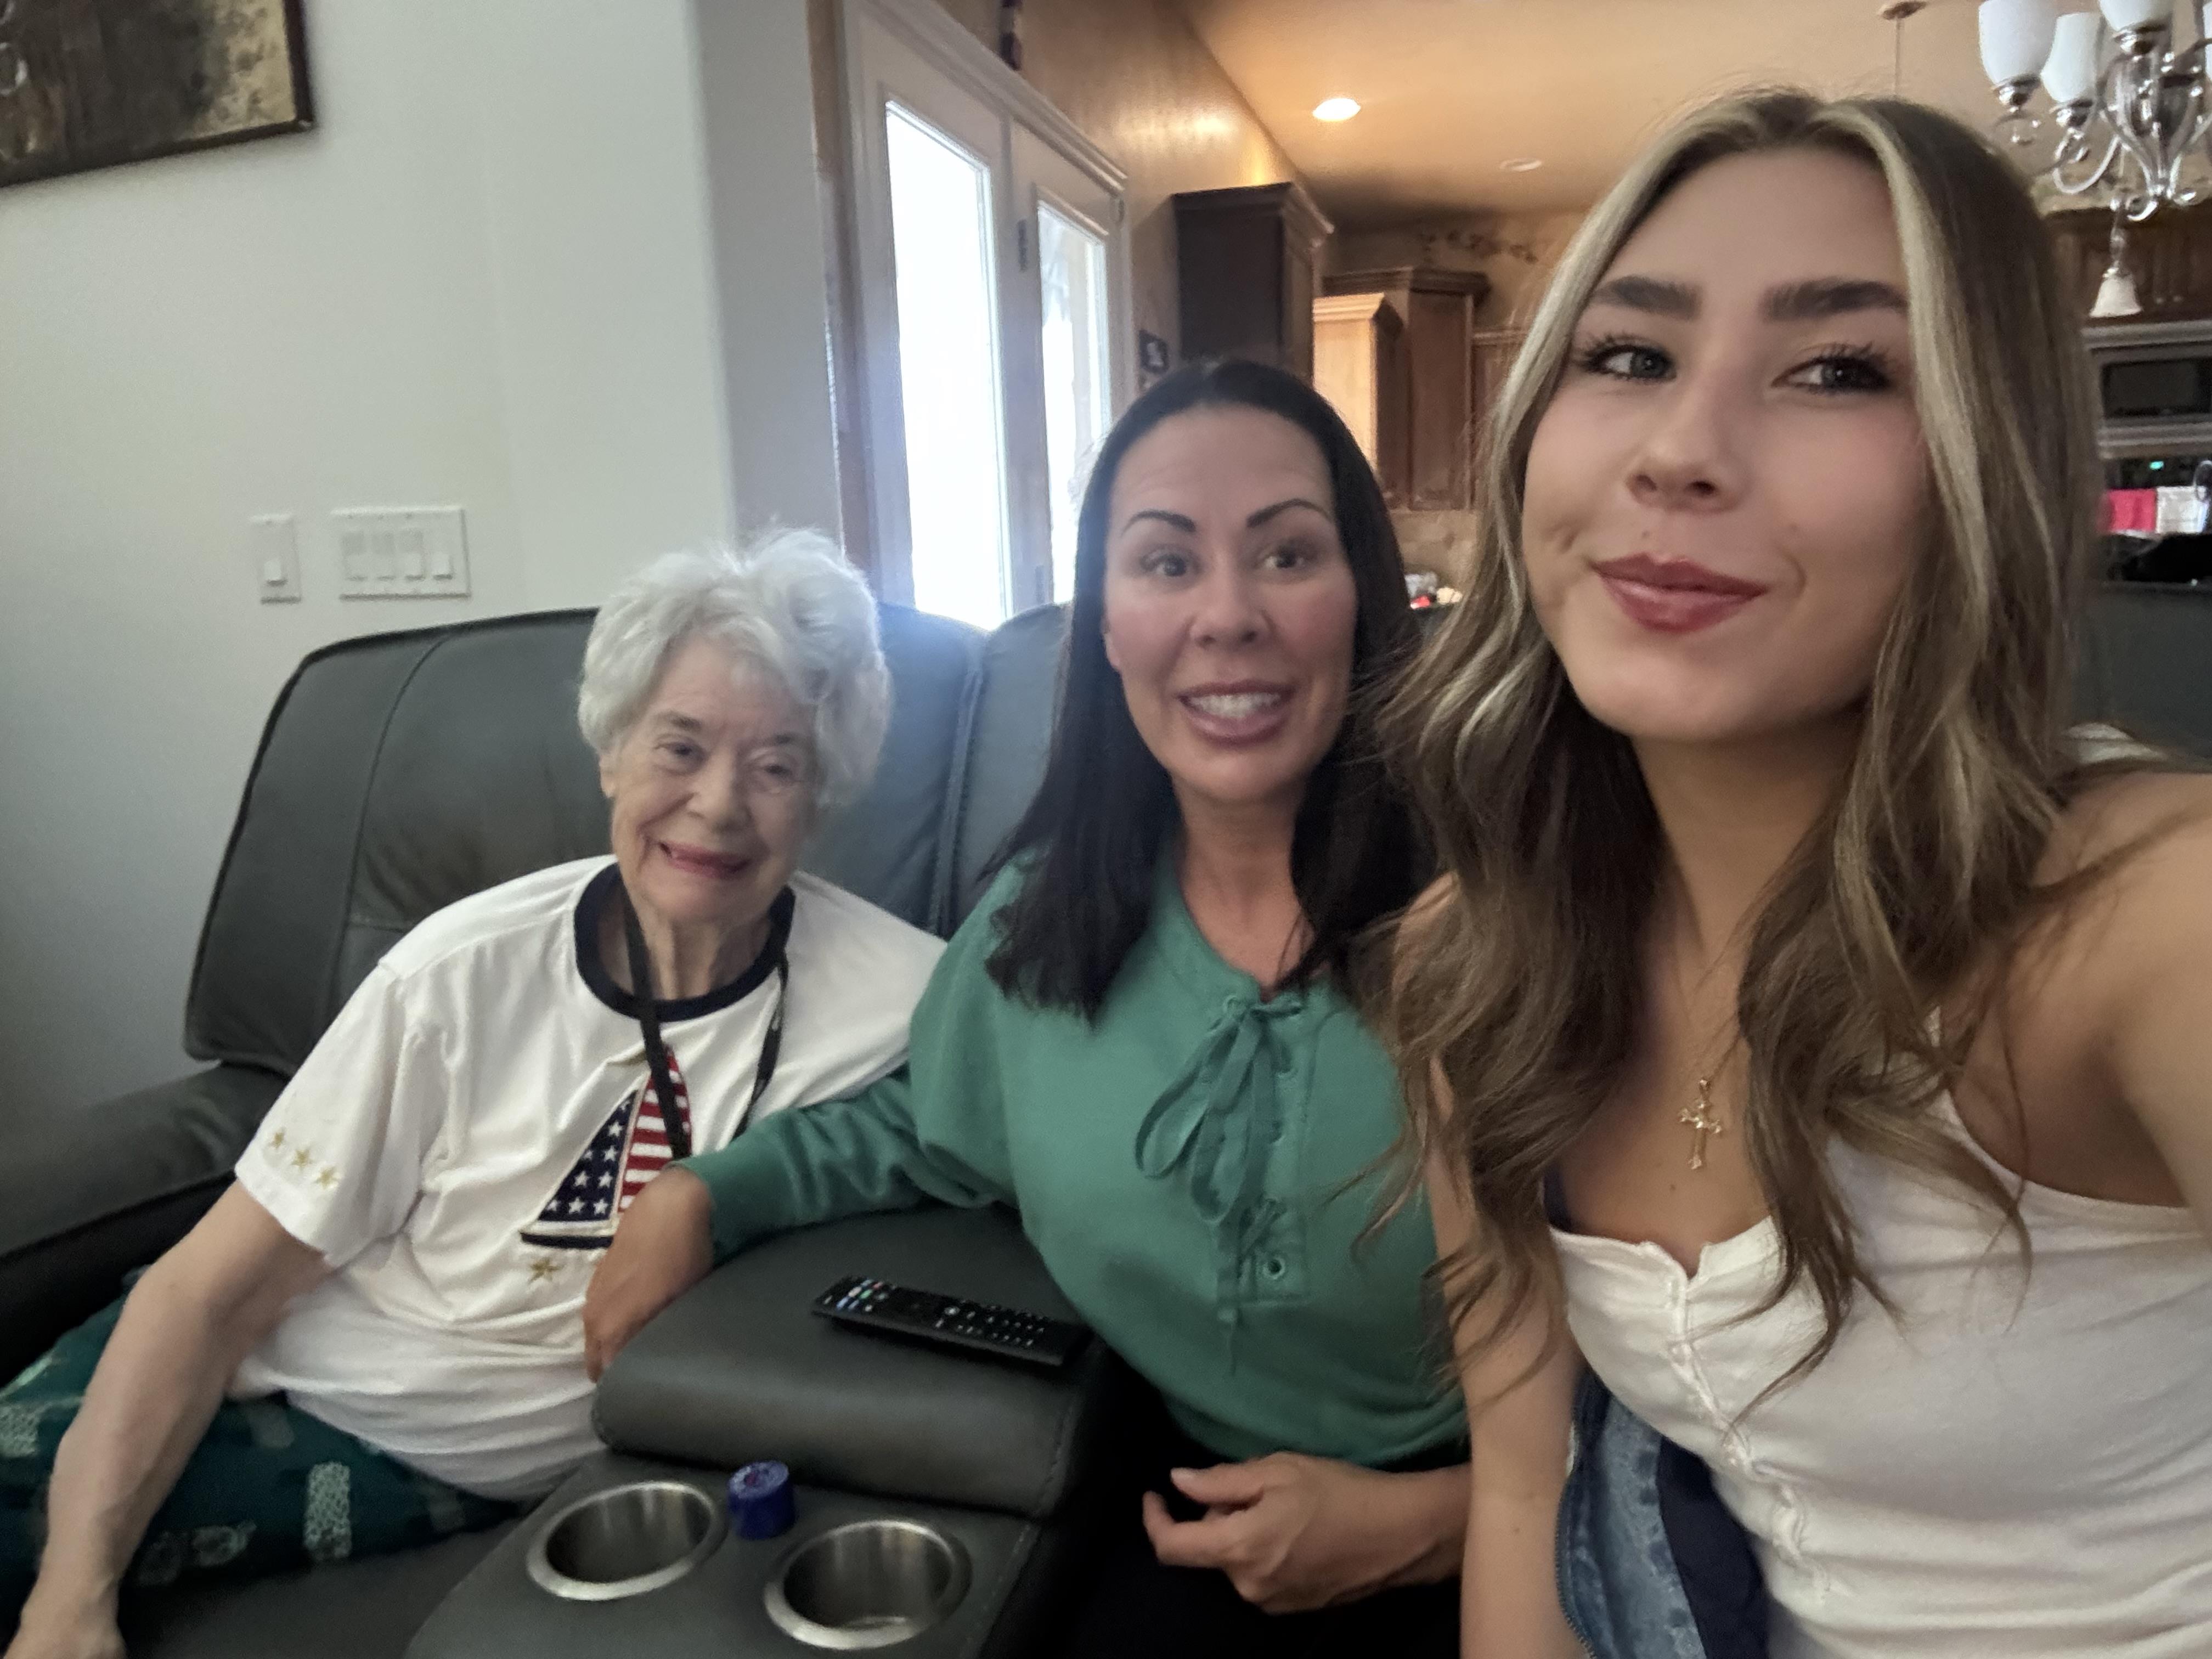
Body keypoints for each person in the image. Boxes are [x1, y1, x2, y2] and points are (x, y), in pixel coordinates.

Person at [1382, 89, 2212, 1658]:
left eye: (1839, 370)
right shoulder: (1476, 966)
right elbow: (1526, 1491)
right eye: (1630, 356)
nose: (1680, 452)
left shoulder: (2150, 918)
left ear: (1984, 467)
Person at [586, 359, 1467, 1654]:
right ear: (1105, 624)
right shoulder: (1044, 925)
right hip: (1181, 1522)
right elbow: (922, 1128)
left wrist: (1433, 1523)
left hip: (1516, 1527)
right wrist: (702, 1195)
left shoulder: (1498, 921)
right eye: (1166, 563)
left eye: (1287, 555)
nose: (1227, 616)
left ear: (1366, 600)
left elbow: (1692, 1356)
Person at [2, 531, 945, 1655]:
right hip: (285, 1380)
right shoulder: (457, 978)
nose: (717, 804)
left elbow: (1041, 1089)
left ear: (824, 794)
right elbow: (204, 1294)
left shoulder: (901, 995)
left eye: (777, 766)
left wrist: (708, 1192)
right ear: (611, 755)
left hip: (437, 1464)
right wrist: (70, 1603)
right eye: (679, 747)